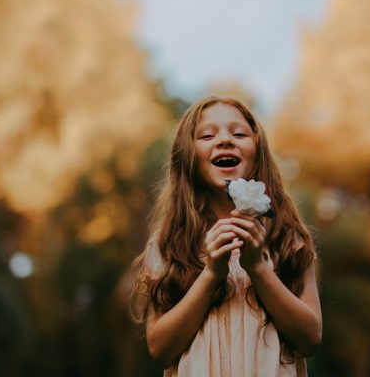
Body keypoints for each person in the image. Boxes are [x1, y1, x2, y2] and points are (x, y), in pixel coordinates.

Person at [130, 96, 322, 376]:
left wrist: (257, 267)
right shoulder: (168, 245)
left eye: (239, 133)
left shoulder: (287, 239)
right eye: (207, 135)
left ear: (257, 151)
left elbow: (310, 339)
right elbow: (160, 349)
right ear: (188, 157)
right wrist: (211, 273)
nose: (224, 140)